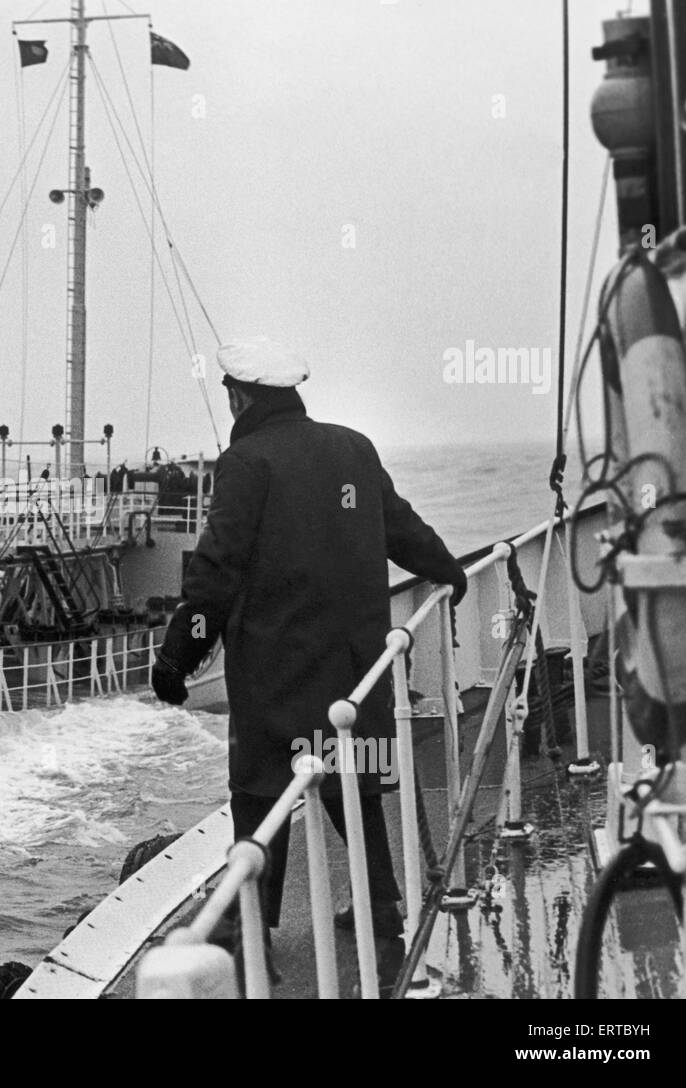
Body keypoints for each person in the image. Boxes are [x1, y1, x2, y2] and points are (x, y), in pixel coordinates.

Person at [150, 336, 467, 995]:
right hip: (355, 667)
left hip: (277, 673)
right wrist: (447, 569)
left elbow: (214, 574)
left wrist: (177, 658)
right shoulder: (353, 447)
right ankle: (382, 908)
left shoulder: (245, 462)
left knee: (263, 798)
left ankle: (254, 925)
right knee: (354, 785)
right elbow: (400, 525)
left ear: (241, 396)